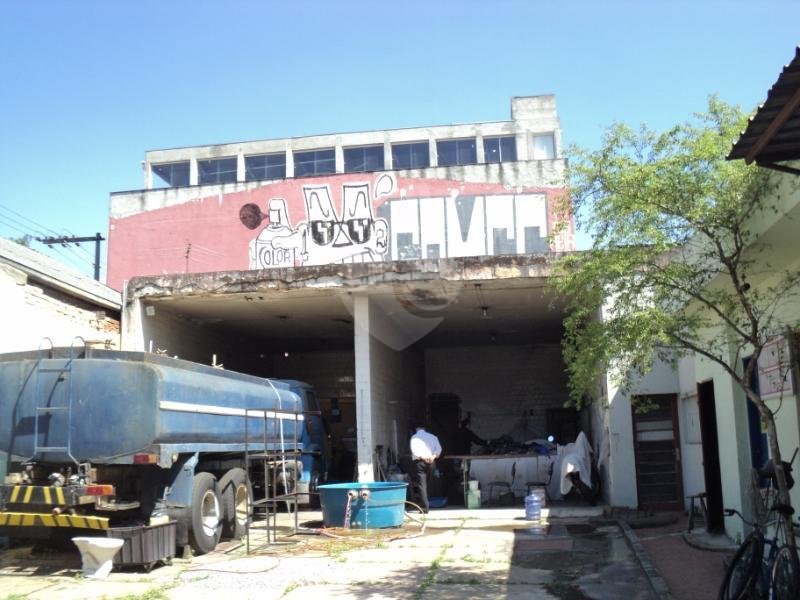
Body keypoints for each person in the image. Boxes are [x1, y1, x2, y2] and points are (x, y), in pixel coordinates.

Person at [409, 422, 442, 513]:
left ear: (416, 428)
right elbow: (438, 449)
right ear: (425, 428)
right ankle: (427, 503)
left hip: (420, 462)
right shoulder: (433, 437)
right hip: (431, 462)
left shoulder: (414, 437)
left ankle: (424, 507)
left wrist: (423, 458)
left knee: (421, 485)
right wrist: (432, 457)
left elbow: (414, 451)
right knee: (428, 483)